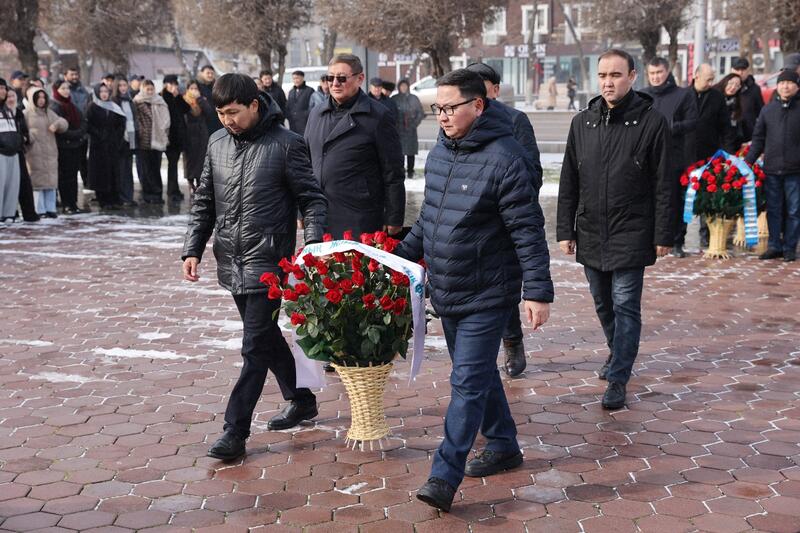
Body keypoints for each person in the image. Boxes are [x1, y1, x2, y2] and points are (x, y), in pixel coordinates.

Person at [394, 69, 553, 513]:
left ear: (478, 105)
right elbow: (430, 219)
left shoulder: (506, 158)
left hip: (489, 292)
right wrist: (396, 258)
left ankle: (444, 476)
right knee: (478, 374)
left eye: (450, 108)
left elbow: (527, 230)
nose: (442, 116)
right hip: (448, 288)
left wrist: (538, 291)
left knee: (465, 381)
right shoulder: (441, 152)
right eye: (438, 109)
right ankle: (503, 443)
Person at [181, 73, 327, 461]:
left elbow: (312, 199)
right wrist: (192, 248)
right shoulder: (217, 142)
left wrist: (312, 245)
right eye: (221, 113)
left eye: (234, 112)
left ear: (254, 105)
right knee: (264, 338)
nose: (227, 120)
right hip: (230, 258)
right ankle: (301, 399)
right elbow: (204, 201)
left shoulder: (286, 144)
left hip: (269, 263)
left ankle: (235, 430)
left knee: (253, 346)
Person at [557, 49, 673, 410]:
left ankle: (619, 377)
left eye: (616, 75)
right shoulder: (583, 123)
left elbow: (664, 183)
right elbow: (569, 181)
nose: (608, 82)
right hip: (591, 229)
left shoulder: (651, 122)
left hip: (632, 229)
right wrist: (565, 230)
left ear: (632, 76)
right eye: (603, 75)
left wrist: (663, 234)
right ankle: (617, 351)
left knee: (625, 304)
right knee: (603, 303)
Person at [466, 61, 544, 377]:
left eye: (480, 85)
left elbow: (532, 172)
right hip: (471, 221)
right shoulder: (461, 119)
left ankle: (512, 341)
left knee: (503, 285)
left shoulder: (515, 121)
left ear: (495, 90)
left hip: (504, 219)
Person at [305, 54, 405, 238]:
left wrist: (394, 217)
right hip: (319, 217)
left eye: (342, 78)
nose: (335, 83)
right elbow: (304, 165)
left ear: (360, 79)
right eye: (330, 78)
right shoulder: (316, 114)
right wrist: (301, 210)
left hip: (359, 218)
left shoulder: (378, 116)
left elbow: (393, 171)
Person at [641, 57, 697, 258]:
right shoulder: (641, 96)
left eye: (659, 73)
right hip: (646, 158)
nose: (656, 77)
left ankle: (677, 241)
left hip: (674, 157)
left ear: (667, 72)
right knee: (646, 199)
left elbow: (693, 121)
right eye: (652, 73)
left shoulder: (683, 94)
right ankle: (648, 238)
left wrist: (671, 127)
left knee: (674, 200)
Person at [746, 69, 800, 262]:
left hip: (795, 171)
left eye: (790, 83)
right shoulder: (768, 110)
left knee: (794, 210)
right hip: (772, 169)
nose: (785, 86)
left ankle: (790, 247)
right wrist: (747, 162)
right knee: (773, 209)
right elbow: (758, 139)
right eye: (782, 83)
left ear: (797, 86)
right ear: (777, 86)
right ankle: (774, 245)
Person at [24, 86, 68, 218]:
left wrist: (57, 125)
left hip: (50, 152)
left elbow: (63, 123)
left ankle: (50, 208)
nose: (41, 100)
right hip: (34, 153)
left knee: (50, 182)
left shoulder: (49, 112)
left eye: (43, 97)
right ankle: (40, 210)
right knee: (37, 183)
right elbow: (22, 131)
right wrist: (30, 137)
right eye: (38, 98)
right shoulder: (26, 114)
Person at [50, 79, 89, 214]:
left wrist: (79, 133)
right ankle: (67, 204)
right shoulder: (55, 106)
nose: (66, 91)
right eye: (63, 88)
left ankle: (73, 203)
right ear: (56, 90)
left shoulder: (72, 105)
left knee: (73, 176)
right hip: (63, 147)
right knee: (65, 177)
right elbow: (60, 129)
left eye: (67, 88)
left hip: (75, 145)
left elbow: (83, 121)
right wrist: (74, 134)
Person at [86, 84, 126, 209]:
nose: (104, 94)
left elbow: (121, 123)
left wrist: (117, 136)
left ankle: (114, 198)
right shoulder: (92, 106)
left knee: (113, 172)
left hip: (112, 144)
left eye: (106, 91)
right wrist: (99, 134)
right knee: (101, 173)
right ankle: (103, 200)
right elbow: (88, 124)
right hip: (98, 146)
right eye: (101, 91)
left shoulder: (114, 106)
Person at [133, 80, 170, 205]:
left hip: (158, 139)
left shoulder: (160, 101)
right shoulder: (137, 101)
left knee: (156, 168)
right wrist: (142, 132)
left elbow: (166, 119)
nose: (149, 92)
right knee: (145, 170)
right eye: (147, 89)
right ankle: (147, 194)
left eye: (151, 89)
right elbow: (136, 119)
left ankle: (157, 194)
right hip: (144, 140)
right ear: (142, 89)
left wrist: (163, 131)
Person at [5, 88, 39, 222]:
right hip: (5, 152)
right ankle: (10, 212)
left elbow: (24, 131)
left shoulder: (18, 112)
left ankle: (29, 213)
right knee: (8, 184)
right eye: (8, 97)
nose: (11, 99)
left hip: (18, 151)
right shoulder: (3, 112)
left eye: (13, 96)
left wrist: (25, 138)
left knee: (24, 182)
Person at [162, 74, 190, 204]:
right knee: (172, 164)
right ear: (165, 85)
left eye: (175, 84)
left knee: (174, 164)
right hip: (169, 137)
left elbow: (186, 109)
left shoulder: (177, 97)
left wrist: (178, 96)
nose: (173, 87)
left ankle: (174, 189)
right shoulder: (163, 97)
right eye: (171, 84)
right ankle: (172, 191)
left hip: (179, 136)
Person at [181, 79, 212, 195]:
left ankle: (199, 183)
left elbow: (209, 112)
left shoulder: (202, 100)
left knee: (201, 159)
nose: (194, 91)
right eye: (191, 88)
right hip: (188, 133)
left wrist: (199, 99)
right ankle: (190, 182)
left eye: (196, 88)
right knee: (189, 160)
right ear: (187, 89)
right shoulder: (184, 100)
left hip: (201, 133)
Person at [391, 79, 424, 179]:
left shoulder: (414, 98)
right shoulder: (394, 99)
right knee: (399, 152)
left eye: (405, 86)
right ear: (399, 87)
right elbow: (390, 113)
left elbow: (420, 113)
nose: (403, 88)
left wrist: (414, 124)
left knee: (410, 152)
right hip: (398, 130)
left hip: (410, 130)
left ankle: (410, 171)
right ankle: (400, 171)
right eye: (401, 86)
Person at [112, 76, 138, 206]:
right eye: (120, 85)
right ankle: (122, 196)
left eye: (124, 85)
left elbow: (133, 119)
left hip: (130, 139)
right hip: (119, 140)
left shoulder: (129, 101)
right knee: (121, 170)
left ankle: (128, 196)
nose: (123, 88)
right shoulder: (114, 102)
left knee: (128, 170)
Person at [0, 79, 23, 225]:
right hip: (1, 152)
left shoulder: (8, 110)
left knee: (12, 186)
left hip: (13, 152)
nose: (3, 91)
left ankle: (8, 214)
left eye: (4, 88)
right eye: (0, 88)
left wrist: (18, 142)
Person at [731, 57, 764, 143]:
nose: (740, 72)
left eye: (743, 70)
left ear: (747, 71)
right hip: (730, 134)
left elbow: (761, 112)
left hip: (749, 133)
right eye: (737, 70)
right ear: (731, 70)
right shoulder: (725, 87)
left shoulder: (755, 89)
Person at [286, 70, 315, 135]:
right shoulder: (291, 92)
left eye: (297, 78)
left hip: (305, 123)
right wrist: (289, 116)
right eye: (294, 79)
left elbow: (312, 106)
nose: (295, 80)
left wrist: (305, 115)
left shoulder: (310, 90)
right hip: (293, 123)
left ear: (302, 78)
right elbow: (288, 106)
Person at [197, 65, 223, 133]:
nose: (210, 75)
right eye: (208, 73)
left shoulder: (216, 86)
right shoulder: (196, 86)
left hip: (216, 120)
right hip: (203, 121)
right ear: (201, 73)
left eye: (212, 73)